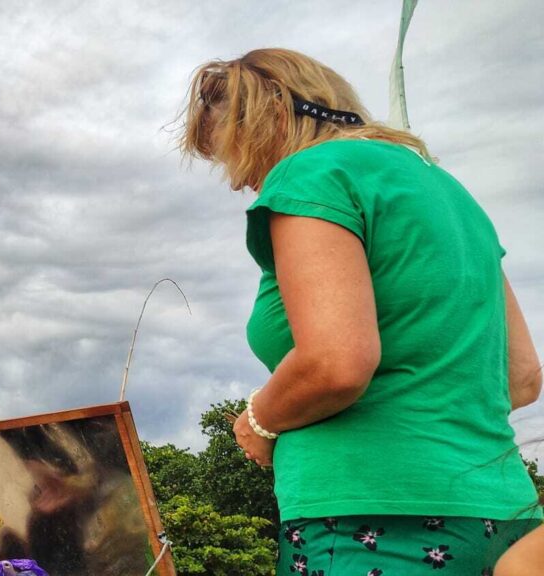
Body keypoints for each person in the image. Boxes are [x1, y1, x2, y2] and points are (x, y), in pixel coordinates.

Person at [178, 48, 542, 574]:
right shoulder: (451, 193)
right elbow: (522, 376)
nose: (237, 181)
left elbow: (335, 362)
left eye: (234, 153)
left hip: (369, 525)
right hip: (504, 521)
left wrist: (261, 419)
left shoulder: (311, 174)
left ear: (275, 116)